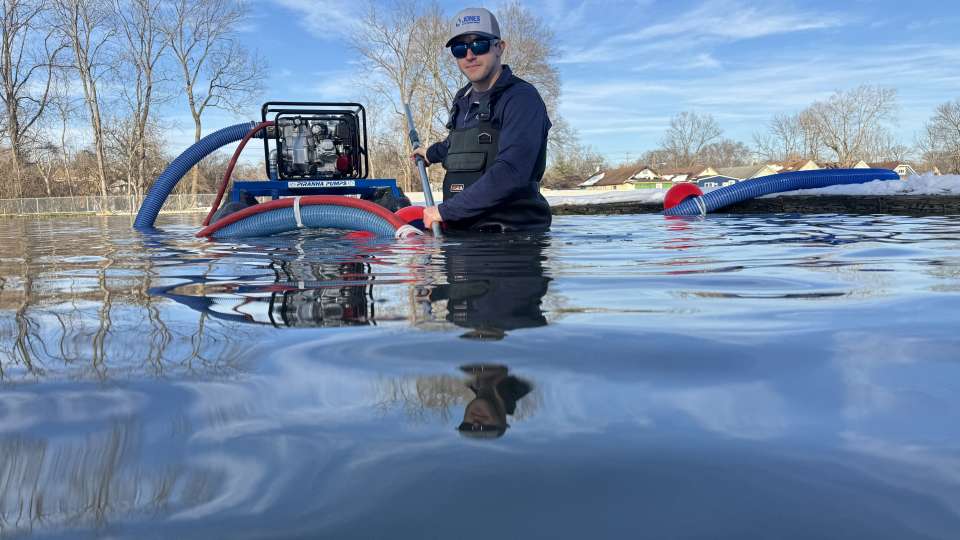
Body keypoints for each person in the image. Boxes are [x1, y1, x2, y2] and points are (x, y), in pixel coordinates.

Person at [411, 7, 553, 233]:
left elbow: (512, 171)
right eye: (459, 48)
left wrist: (446, 211)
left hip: (509, 238)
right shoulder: (463, 99)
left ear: (499, 47)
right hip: (462, 233)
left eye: (479, 44)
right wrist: (430, 153)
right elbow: (456, 144)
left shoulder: (521, 98)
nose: (469, 55)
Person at [457, 364, 533, 438]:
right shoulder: (523, 386)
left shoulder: (469, 383)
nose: (476, 424)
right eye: (486, 428)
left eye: (467, 426)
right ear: (502, 422)